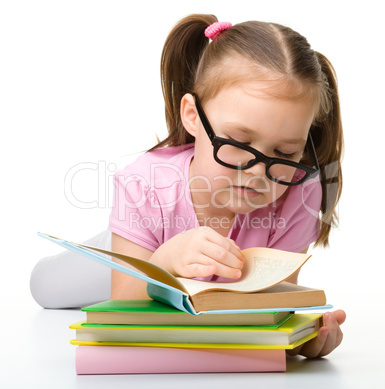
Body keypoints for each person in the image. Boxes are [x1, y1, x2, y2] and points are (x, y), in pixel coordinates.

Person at [30, 14, 345, 358]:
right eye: (239, 143)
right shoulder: (144, 183)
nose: (258, 173)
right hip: (136, 245)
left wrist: (303, 340)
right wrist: (163, 261)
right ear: (192, 116)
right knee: (44, 287)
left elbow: (273, 311)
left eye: (284, 152)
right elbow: (122, 308)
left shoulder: (298, 190)